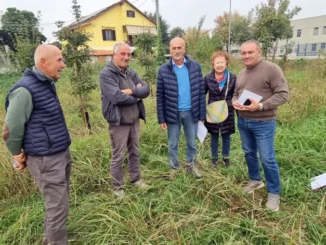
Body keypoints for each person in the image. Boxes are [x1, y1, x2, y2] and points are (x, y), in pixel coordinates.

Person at [2, 44, 71, 244]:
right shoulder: (24, 90)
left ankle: (50, 237)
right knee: (57, 207)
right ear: (43, 62)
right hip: (45, 159)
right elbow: (11, 128)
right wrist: (16, 154)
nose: (63, 65)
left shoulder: (45, 83)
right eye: (59, 60)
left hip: (58, 153)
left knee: (58, 204)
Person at [232, 40, 289, 212]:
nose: (246, 56)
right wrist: (234, 102)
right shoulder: (241, 73)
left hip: (263, 122)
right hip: (243, 120)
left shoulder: (272, 69)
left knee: (267, 157)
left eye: (250, 52)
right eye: (243, 53)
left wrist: (261, 106)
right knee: (249, 152)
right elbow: (236, 94)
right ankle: (255, 180)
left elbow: (283, 95)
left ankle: (274, 193)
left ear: (259, 51)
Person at [100, 42, 150, 198]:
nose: (126, 57)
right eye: (123, 54)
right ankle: (118, 187)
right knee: (118, 155)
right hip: (119, 122)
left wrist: (131, 91)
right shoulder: (106, 74)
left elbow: (147, 89)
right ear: (114, 55)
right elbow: (117, 97)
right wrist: (137, 96)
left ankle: (136, 179)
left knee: (135, 152)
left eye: (128, 54)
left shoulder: (131, 72)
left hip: (134, 120)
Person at [156, 37, 206, 178]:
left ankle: (192, 165)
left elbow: (201, 91)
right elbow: (160, 96)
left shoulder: (195, 66)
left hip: (191, 112)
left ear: (184, 48)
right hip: (172, 113)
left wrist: (202, 115)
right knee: (173, 143)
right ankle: (174, 168)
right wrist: (161, 118)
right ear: (170, 50)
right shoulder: (163, 70)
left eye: (179, 47)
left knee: (192, 142)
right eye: (174, 48)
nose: (177, 51)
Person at [204, 51, 237, 168]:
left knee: (226, 135)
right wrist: (202, 112)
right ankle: (214, 158)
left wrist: (233, 106)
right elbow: (202, 94)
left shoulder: (232, 77)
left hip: (227, 110)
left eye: (222, 62)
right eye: (217, 62)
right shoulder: (208, 77)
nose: (219, 65)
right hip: (213, 111)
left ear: (226, 63)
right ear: (213, 64)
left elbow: (236, 94)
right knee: (214, 135)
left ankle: (226, 158)